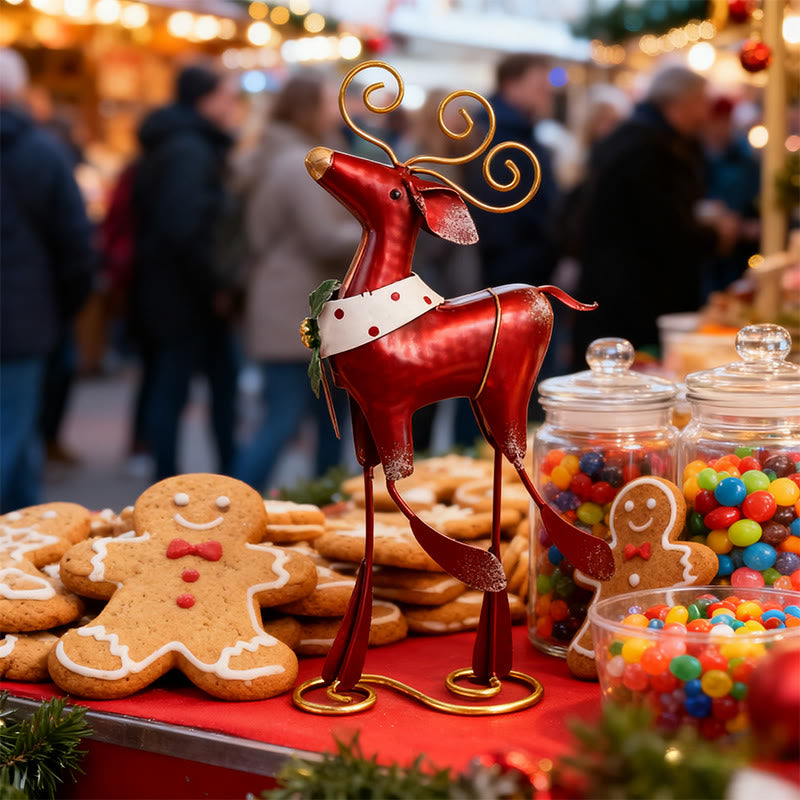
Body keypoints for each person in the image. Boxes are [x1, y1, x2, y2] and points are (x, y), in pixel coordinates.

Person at [233, 70, 361, 493]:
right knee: (289, 421)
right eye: (328, 102)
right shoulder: (299, 163)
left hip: (293, 305)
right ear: (308, 109)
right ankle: (232, 504)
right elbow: (323, 237)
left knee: (323, 423)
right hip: (300, 310)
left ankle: (319, 507)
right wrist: (376, 227)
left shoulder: (281, 154)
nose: (336, 112)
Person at [570, 66, 739, 365]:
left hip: (614, 294)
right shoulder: (652, 150)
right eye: (701, 102)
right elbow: (666, 233)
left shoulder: (632, 138)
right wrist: (716, 236)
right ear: (679, 103)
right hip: (636, 304)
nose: (704, 115)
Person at [129, 63, 241, 481]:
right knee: (182, 388)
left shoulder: (181, 143)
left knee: (176, 387)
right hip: (185, 294)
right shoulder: (189, 150)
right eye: (228, 96)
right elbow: (185, 228)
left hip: (171, 289)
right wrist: (215, 286)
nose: (234, 106)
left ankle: (200, 476)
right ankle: (179, 482)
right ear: (204, 99)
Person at [0, 48, 95, 512]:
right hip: (23, 315)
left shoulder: (41, 151)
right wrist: (61, 308)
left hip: (26, 312)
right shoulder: (43, 153)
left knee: (18, 440)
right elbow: (76, 245)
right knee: (12, 432)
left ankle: (23, 546)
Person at [465, 53, 561, 290]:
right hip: (512, 273)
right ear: (511, 85)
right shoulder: (495, 136)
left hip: (526, 265)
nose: (548, 92)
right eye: (540, 86)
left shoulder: (521, 130)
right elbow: (496, 217)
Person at [700, 96, 761, 300]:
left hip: (740, 250)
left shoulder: (745, 159)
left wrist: (742, 224)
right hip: (707, 246)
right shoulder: (697, 156)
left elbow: (754, 199)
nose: (720, 128)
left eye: (724, 122)